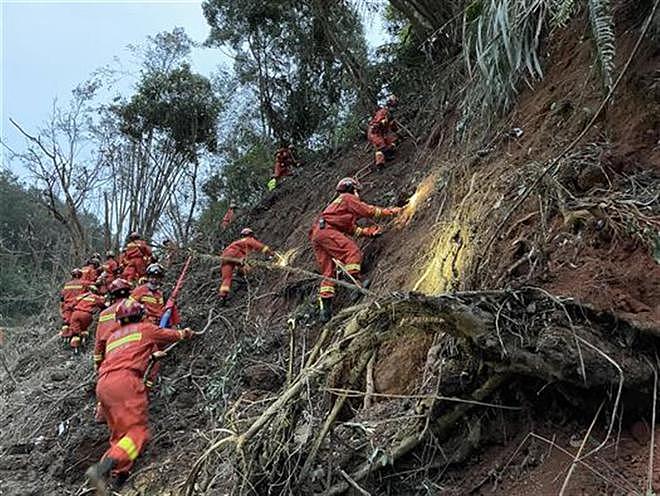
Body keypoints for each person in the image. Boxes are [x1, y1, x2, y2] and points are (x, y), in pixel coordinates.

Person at [85, 300, 194, 493]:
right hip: (126, 381)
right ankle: (102, 469)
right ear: (140, 314)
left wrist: (150, 357)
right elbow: (174, 335)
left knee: (120, 435)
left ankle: (119, 477)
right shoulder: (145, 329)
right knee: (137, 433)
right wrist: (185, 333)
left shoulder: (112, 337)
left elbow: (127, 353)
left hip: (103, 384)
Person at [309, 177, 401, 322]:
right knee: (352, 252)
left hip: (318, 233)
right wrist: (391, 212)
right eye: (357, 190)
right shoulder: (347, 198)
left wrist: (370, 233)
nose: (358, 194)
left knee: (328, 272)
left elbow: (352, 230)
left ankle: (325, 310)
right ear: (352, 189)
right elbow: (368, 211)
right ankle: (353, 285)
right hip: (326, 231)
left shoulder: (338, 208)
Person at [93, 278, 132, 423]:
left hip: (109, 355)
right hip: (129, 351)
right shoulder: (133, 307)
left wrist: (98, 363)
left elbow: (99, 343)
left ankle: (103, 412)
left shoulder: (104, 315)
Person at [219, 228, 274, 303]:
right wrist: (270, 253)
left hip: (224, 257)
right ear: (250, 234)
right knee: (247, 265)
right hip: (235, 254)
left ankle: (222, 295)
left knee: (226, 278)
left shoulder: (236, 242)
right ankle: (248, 278)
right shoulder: (248, 239)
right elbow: (260, 246)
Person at [67, 285, 106, 351]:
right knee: (83, 330)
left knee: (75, 332)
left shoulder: (82, 296)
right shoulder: (96, 297)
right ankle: (83, 345)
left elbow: (72, 304)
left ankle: (74, 349)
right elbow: (102, 305)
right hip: (86, 315)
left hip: (75, 313)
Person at [367, 95, 399, 168]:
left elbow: (393, 126)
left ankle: (386, 156)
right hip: (374, 133)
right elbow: (377, 124)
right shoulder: (382, 112)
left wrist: (396, 131)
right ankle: (380, 163)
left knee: (391, 142)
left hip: (380, 133)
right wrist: (381, 122)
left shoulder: (389, 115)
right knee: (381, 145)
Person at [59, 268, 89, 339]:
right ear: (81, 275)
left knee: (67, 323)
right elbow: (93, 286)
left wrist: (62, 308)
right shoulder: (84, 283)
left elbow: (62, 297)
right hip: (78, 307)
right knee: (77, 324)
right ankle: (77, 338)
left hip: (67, 306)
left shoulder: (67, 285)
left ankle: (65, 338)